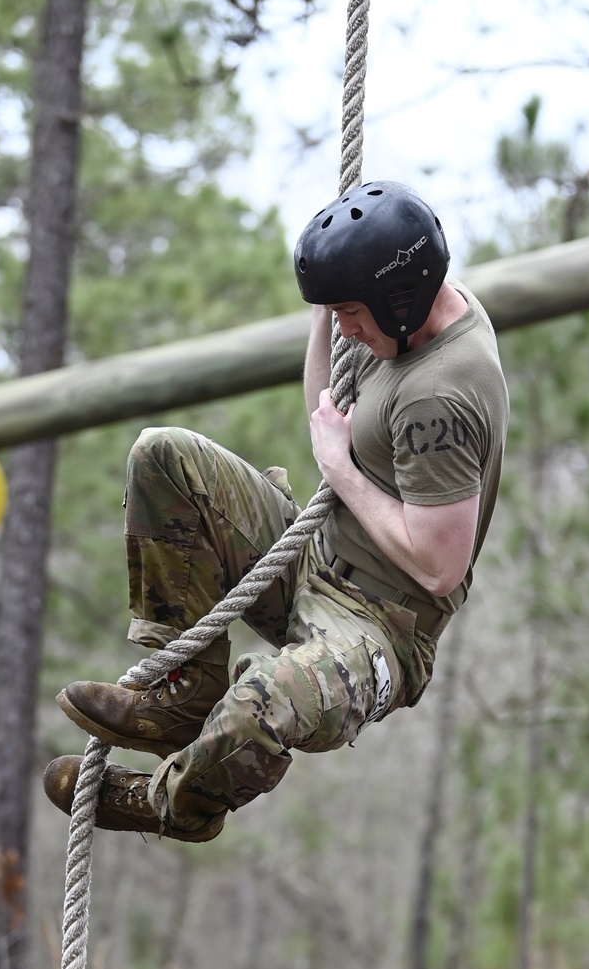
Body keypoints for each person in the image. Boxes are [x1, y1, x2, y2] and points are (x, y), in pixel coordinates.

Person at [43, 181, 509, 842]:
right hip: (315, 559)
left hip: (378, 627)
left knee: (258, 705)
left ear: (398, 298)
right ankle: (183, 696)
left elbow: (439, 565)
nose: (344, 326)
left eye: (351, 312)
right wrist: (329, 296)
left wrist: (339, 469)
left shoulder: (443, 394)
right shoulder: (416, 308)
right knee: (163, 457)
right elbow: (326, 407)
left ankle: (179, 800)